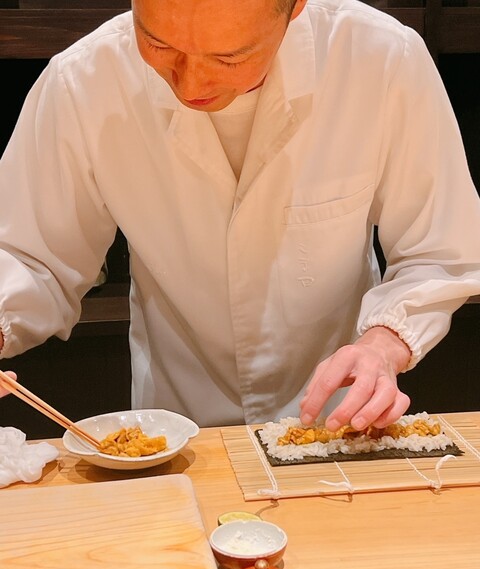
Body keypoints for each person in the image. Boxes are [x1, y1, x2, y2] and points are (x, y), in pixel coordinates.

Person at [0, 0, 479, 431]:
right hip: (181, 433)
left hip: (338, 423)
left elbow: (439, 251)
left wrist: (384, 344)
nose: (190, 84)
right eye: (159, 44)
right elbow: (30, 255)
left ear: (294, 8)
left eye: (229, 58)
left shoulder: (380, 60)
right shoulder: (84, 81)